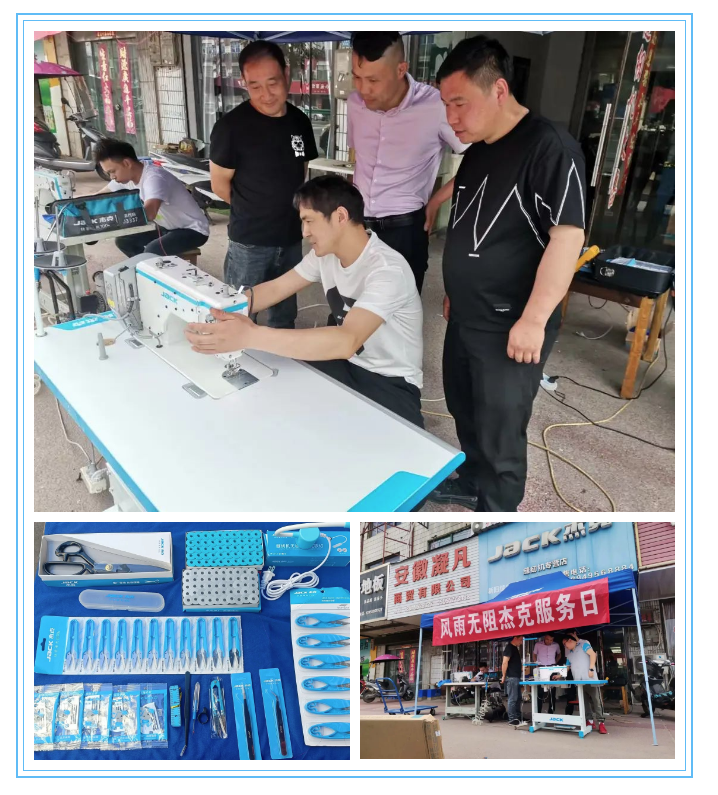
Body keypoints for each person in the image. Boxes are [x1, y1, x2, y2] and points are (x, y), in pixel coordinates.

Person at [428, 35, 587, 511]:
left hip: (512, 322)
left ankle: (496, 510)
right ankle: (472, 479)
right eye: (445, 105)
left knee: (500, 425)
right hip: (467, 314)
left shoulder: (549, 148)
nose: (451, 117)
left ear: (498, 90)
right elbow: (471, 223)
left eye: (460, 103)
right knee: (463, 404)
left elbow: (567, 237)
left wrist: (535, 319)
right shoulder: (478, 149)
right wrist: (457, 287)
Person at [184, 175, 424, 427]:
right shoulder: (325, 255)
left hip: (391, 382)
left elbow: (346, 341)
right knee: (275, 402)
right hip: (345, 364)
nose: (304, 232)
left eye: (309, 221)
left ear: (340, 216)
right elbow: (276, 288)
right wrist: (221, 307)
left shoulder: (387, 270)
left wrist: (250, 335)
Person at [209, 40, 318, 329]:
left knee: (284, 314)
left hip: (290, 238)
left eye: (273, 83)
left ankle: (284, 355)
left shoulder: (300, 122)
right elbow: (219, 185)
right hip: (249, 241)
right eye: (255, 86)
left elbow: (300, 173)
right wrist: (256, 210)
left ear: (287, 74)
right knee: (239, 312)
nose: (266, 95)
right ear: (243, 83)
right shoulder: (231, 128)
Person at [348, 32, 468, 293]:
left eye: (373, 80)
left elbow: (478, 157)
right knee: (349, 306)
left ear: (401, 69)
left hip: (404, 231)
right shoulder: (355, 104)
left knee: (398, 311)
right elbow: (358, 160)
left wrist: (436, 200)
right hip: (357, 227)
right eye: (356, 77)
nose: (363, 89)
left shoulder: (436, 106)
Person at [96, 138, 209, 258]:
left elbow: (149, 214)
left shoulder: (154, 178)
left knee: (152, 251)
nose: (112, 177)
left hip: (193, 230)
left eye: (112, 171)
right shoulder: (126, 178)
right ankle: (145, 266)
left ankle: (151, 266)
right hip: (167, 227)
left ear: (127, 163)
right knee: (124, 241)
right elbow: (99, 197)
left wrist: (113, 220)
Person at [562, 632, 608, 734]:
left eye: (565, 644)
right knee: (584, 702)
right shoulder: (569, 654)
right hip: (579, 682)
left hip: (590, 679)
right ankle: (590, 720)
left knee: (596, 701)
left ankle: (601, 722)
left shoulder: (584, 644)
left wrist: (591, 669)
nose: (565, 646)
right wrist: (558, 675)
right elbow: (567, 667)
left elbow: (593, 654)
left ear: (570, 640)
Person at [533, 633, 561, 713]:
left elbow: (559, 654)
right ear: (544, 638)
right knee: (540, 690)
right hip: (541, 667)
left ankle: (551, 710)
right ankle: (538, 711)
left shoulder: (556, 645)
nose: (549, 641)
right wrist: (536, 664)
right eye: (548, 640)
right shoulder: (538, 645)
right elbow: (534, 655)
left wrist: (555, 662)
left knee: (552, 690)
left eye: (551, 640)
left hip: (552, 668)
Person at [500, 635, 524, 726]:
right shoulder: (509, 648)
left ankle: (517, 716)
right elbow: (504, 662)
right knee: (513, 698)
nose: (521, 642)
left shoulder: (514, 648)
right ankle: (512, 719)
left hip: (516, 676)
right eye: (520, 640)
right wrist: (503, 675)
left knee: (518, 698)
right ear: (515, 638)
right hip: (512, 677)